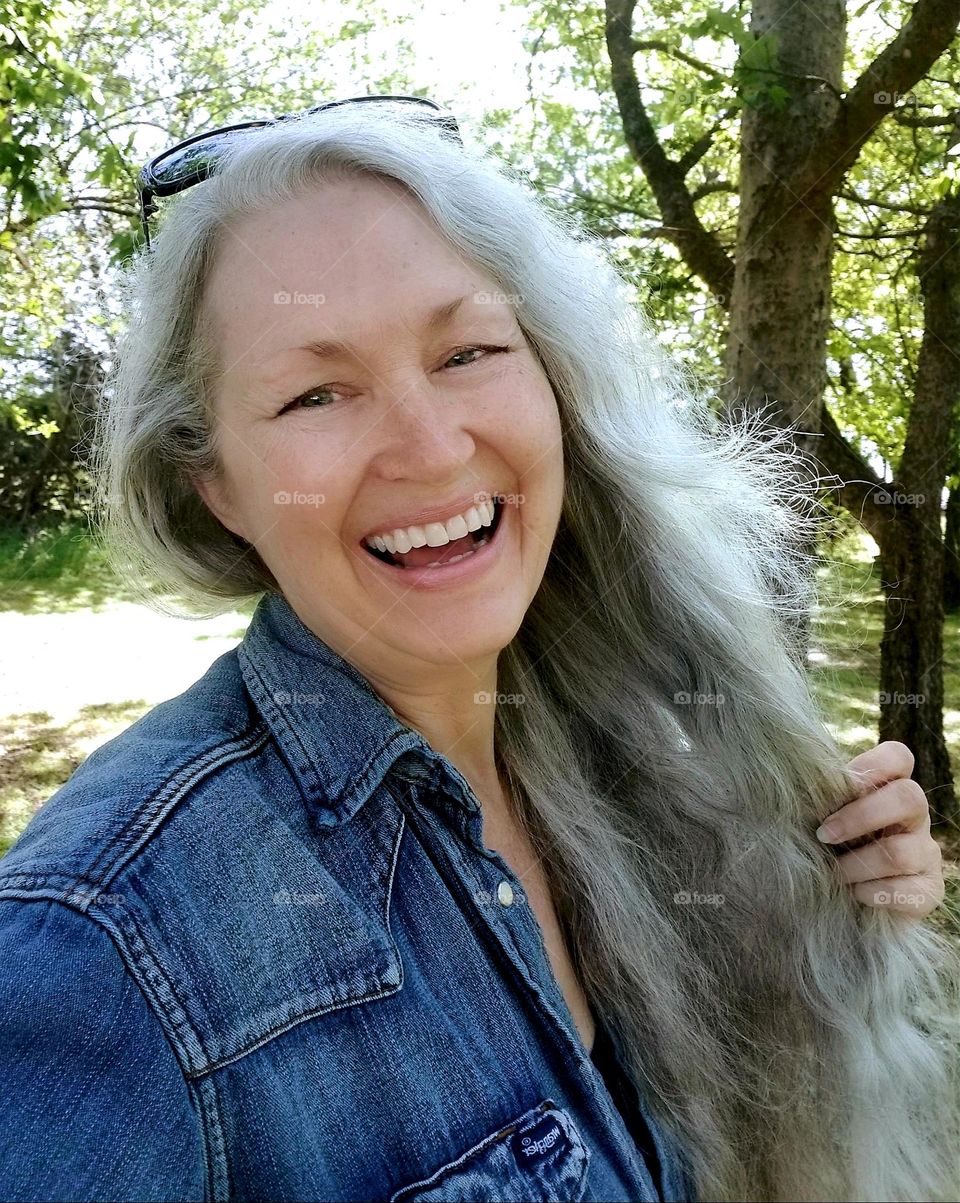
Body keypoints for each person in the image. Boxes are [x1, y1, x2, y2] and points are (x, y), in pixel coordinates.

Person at [0, 95, 955, 1203]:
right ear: (215, 486)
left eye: (468, 351)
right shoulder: (99, 952)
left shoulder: (653, 755)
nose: (431, 445)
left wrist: (837, 919)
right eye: (316, 391)